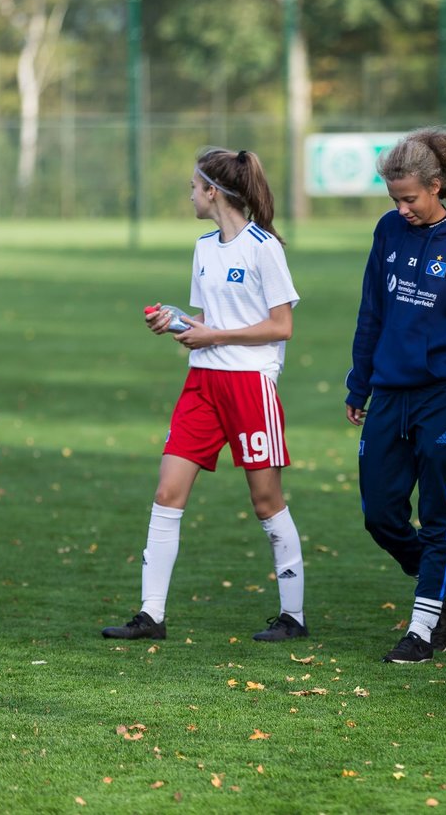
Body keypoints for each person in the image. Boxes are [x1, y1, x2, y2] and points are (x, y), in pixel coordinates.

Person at [102, 148, 308, 644]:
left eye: (194, 187)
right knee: (167, 492)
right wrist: (174, 319)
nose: (190, 195)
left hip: (250, 387)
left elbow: (282, 326)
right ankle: (151, 616)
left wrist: (213, 337)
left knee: (266, 502)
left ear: (213, 192)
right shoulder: (204, 247)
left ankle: (293, 616)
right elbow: (209, 321)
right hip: (201, 385)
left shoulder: (264, 248)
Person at [346, 128, 446, 664]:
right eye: (395, 199)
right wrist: (358, 381)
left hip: (444, 397)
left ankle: (422, 625)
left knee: (439, 517)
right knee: (379, 514)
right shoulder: (388, 231)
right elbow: (372, 312)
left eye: (410, 198)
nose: (402, 208)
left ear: (437, 187)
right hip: (389, 393)